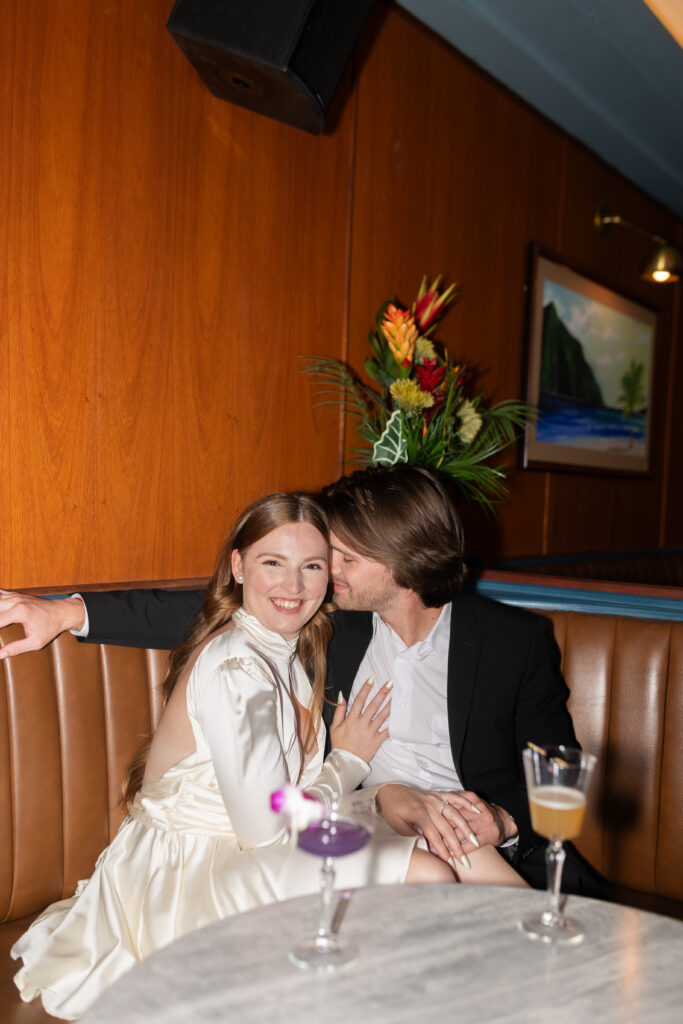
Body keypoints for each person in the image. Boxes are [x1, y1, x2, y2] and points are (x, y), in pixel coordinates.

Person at [8, 490, 524, 1021]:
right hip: (200, 865)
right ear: (237, 565)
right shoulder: (240, 668)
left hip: (262, 835)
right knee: (430, 875)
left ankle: (553, 974)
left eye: (313, 566)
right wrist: (347, 762)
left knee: (459, 842)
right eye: (271, 563)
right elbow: (265, 829)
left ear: (330, 578)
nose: (293, 585)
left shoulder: (287, 644)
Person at [0, 466, 599, 891]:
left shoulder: (513, 642)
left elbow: (561, 765)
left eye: (339, 558)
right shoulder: (328, 621)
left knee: (475, 868)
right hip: (366, 809)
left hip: (474, 830)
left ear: (402, 559)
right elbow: (214, 606)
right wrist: (66, 612)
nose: (316, 576)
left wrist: (501, 820)